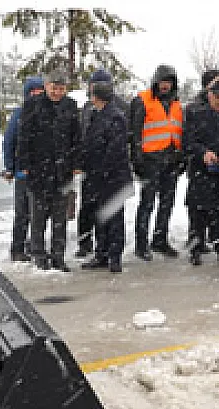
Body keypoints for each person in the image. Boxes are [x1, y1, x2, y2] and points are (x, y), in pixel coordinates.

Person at [18, 70, 83, 272]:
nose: (57, 92)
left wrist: (76, 163)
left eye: (61, 88)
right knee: (38, 217)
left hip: (62, 171)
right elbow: (24, 136)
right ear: (46, 86)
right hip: (38, 169)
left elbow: (76, 137)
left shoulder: (70, 106)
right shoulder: (33, 105)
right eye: (54, 87)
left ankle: (58, 256)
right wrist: (24, 164)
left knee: (59, 218)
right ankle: (38, 255)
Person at [182, 79, 219, 267]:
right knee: (198, 212)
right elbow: (188, 142)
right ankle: (196, 249)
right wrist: (203, 153)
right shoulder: (196, 115)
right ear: (209, 96)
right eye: (217, 97)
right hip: (202, 172)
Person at [129, 64, 184, 260]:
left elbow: (179, 132)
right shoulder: (142, 100)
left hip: (170, 160)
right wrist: (137, 160)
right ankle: (141, 244)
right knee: (147, 204)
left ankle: (160, 240)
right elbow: (134, 133)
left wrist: (181, 158)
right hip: (150, 161)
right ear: (155, 81)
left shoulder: (176, 104)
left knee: (166, 204)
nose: (165, 86)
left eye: (168, 82)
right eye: (162, 82)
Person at [80, 81, 133, 273]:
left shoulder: (115, 117)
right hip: (98, 176)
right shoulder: (97, 114)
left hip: (113, 177)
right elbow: (90, 144)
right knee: (100, 216)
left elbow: (115, 150)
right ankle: (101, 253)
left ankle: (114, 256)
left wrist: (100, 169)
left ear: (96, 96)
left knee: (114, 216)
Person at [1, 76, 45, 262]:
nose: (37, 96)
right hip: (23, 172)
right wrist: (10, 167)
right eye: (34, 92)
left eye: (40, 92)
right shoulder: (19, 115)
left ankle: (33, 245)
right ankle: (17, 248)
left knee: (39, 213)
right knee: (23, 213)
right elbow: (9, 142)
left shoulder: (46, 113)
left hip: (41, 173)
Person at [77, 68, 119, 258]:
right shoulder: (86, 108)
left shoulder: (118, 109)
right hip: (89, 167)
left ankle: (107, 248)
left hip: (108, 169)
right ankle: (85, 242)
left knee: (107, 210)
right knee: (87, 207)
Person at [184, 68, 219, 256]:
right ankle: (196, 241)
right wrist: (201, 153)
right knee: (197, 205)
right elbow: (189, 139)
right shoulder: (194, 108)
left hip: (218, 164)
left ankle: (215, 239)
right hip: (198, 164)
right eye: (215, 82)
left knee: (216, 204)